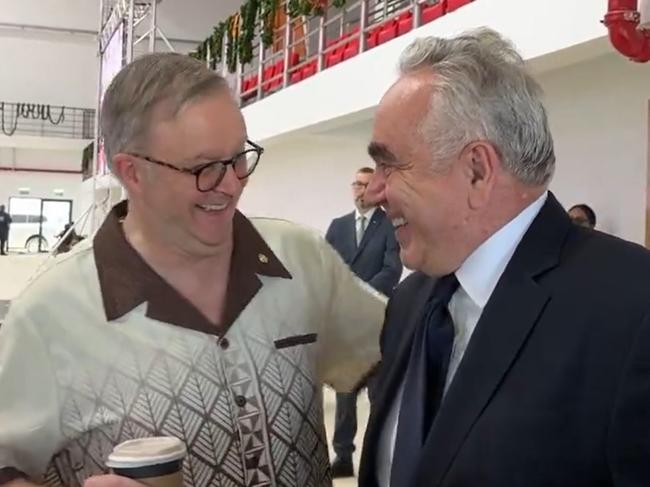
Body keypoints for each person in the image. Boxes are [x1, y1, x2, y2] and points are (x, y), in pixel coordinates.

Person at [0, 53, 386, 487]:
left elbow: (401, 350)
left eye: (239, 157)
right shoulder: (48, 315)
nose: (232, 183)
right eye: (204, 168)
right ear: (133, 172)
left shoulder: (300, 258)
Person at [358, 28, 650, 487]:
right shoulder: (409, 303)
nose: (374, 191)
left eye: (389, 164)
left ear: (477, 169)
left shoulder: (634, 310)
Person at [325, 167, 402, 478]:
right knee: (345, 390)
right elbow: (326, 265)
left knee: (378, 392)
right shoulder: (338, 226)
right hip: (346, 322)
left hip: (379, 318)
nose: (360, 190)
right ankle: (343, 455)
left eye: (366, 185)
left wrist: (359, 293)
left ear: (377, 189)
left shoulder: (390, 225)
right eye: (356, 184)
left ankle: (377, 454)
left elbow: (392, 269)